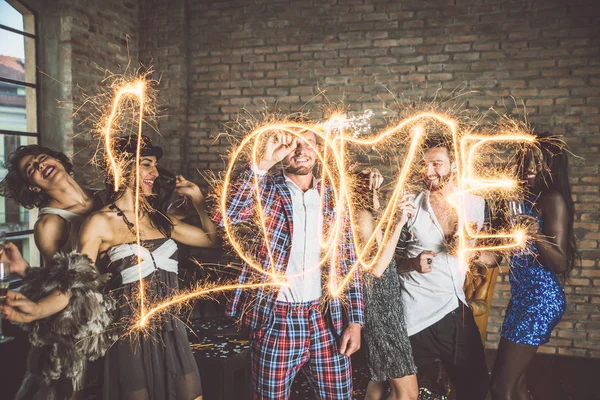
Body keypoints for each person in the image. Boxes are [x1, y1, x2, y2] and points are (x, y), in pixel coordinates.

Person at [216, 129, 363, 399]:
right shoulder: (268, 189)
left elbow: (347, 261)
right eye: (293, 144)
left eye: (308, 144)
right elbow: (225, 216)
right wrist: (263, 162)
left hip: (326, 318)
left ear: (319, 150)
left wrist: (355, 320)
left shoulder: (333, 197)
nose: (301, 150)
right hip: (278, 319)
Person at [395, 135, 500, 400]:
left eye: (437, 164)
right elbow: (385, 265)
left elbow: (493, 260)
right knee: (409, 393)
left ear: (454, 166)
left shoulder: (474, 205)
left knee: (475, 389)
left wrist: (470, 250)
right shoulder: (408, 205)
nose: (428, 172)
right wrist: (413, 264)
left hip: (453, 309)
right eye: (423, 164)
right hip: (414, 314)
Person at [490, 134, 578, 400]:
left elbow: (560, 262)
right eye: (526, 160)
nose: (529, 168)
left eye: (538, 162)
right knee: (515, 385)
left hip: (540, 299)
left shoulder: (552, 200)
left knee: (500, 387)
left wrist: (536, 235)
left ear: (551, 166)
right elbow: (498, 254)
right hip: (523, 298)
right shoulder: (520, 200)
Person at [354, 168, 418, 400]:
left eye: (375, 177)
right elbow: (377, 268)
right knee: (408, 393)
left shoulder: (370, 208)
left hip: (387, 302)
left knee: (380, 380)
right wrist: (398, 223)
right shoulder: (360, 215)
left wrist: (391, 212)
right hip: (380, 308)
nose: (375, 179)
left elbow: (387, 253)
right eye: (368, 177)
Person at [0, 144, 102, 275]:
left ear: (59, 161)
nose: (39, 165)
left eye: (41, 158)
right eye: (30, 170)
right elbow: (56, 281)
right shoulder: (47, 224)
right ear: (33, 187)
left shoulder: (104, 195)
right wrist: (24, 271)